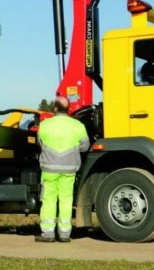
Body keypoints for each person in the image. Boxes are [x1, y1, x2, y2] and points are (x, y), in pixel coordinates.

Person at [35, 95, 90, 243]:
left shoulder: (45, 125)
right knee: (66, 200)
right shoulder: (78, 126)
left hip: (49, 169)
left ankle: (48, 233)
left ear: (55, 108)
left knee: (48, 200)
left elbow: (39, 143)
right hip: (69, 169)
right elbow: (85, 147)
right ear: (69, 109)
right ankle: (65, 234)